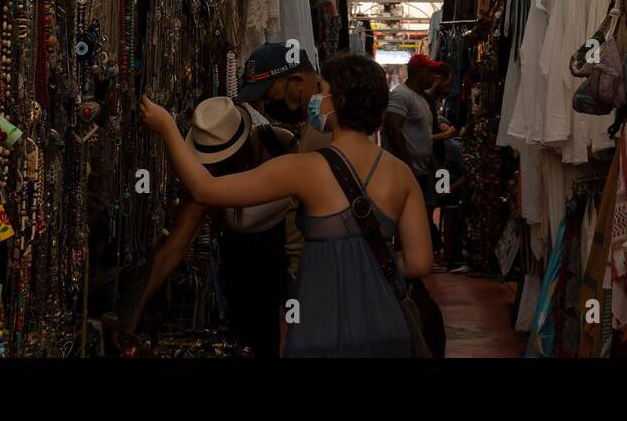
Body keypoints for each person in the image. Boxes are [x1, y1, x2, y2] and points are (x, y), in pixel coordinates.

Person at [140, 52, 433, 357]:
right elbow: (418, 263)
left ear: (341, 100)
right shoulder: (402, 175)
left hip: (321, 328)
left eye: (321, 89)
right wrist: (364, 263)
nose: (315, 99)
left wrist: (166, 128)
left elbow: (204, 189)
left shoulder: (302, 169)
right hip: (386, 328)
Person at [119, 42, 326, 354]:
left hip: (284, 265)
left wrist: (168, 130)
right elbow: (171, 252)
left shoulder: (282, 147)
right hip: (242, 272)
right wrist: (131, 315)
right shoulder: (212, 179)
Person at [381, 53, 447, 200]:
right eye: (431, 72)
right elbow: (393, 130)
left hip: (419, 172)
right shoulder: (401, 95)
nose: (435, 76)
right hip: (403, 173)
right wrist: (408, 166)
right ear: (420, 72)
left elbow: (424, 138)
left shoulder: (422, 99)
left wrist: (437, 172)